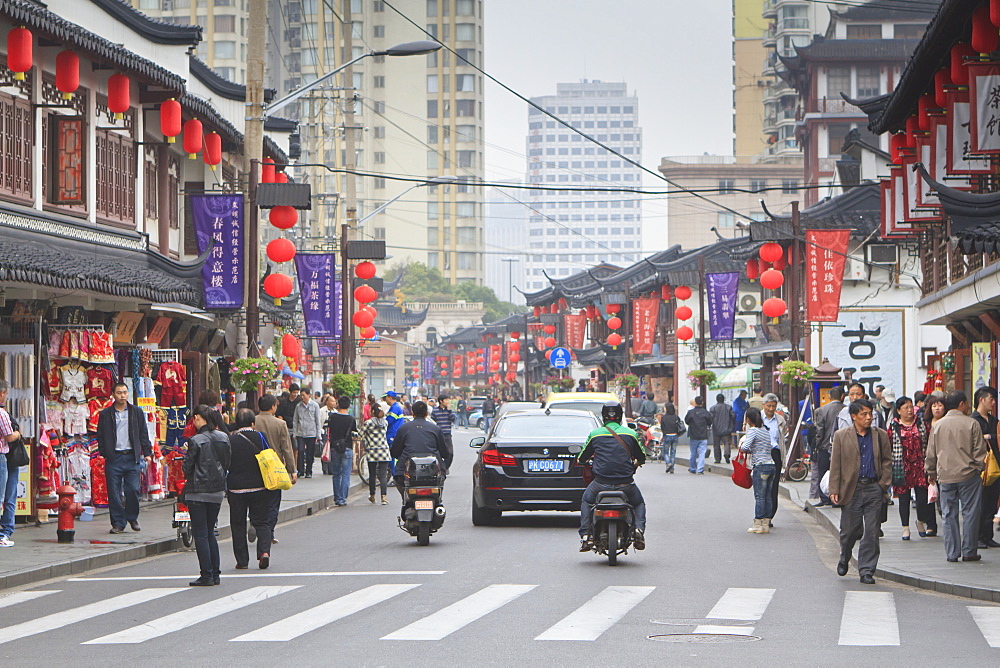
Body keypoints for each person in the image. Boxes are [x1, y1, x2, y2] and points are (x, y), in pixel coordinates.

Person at [830, 399, 891, 584]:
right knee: (849, 531)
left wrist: (883, 484)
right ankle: (844, 556)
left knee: (872, 531)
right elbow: (836, 464)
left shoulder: (880, 435)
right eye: (864, 414)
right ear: (853, 416)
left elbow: (887, 461)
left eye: (870, 414)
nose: (868, 418)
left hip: (874, 488)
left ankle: (866, 570)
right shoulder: (842, 436)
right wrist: (834, 488)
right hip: (851, 489)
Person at [925, 390, 989, 563]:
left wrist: (931, 472)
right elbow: (979, 451)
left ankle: (952, 553)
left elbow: (931, 452)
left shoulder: (938, 425)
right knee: (970, 513)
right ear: (962, 404)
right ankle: (969, 551)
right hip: (969, 475)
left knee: (948, 514)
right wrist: (978, 468)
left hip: (945, 475)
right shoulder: (971, 423)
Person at [577, 401, 647, 551]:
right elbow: (642, 457)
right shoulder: (631, 434)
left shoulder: (595, 434)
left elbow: (582, 458)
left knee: (586, 500)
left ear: (603, 417)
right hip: (626, 485)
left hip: (600, 484)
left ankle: (585, 536)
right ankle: (639, 530)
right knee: (638, 503)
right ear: (620, 416)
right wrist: (635, 463)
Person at [184, 404, 231, 586]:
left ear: (197, 418)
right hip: (217, 490)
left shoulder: (195, 440)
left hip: (197, 491)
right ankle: (215, 574)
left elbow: (187, 467)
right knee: (210, 531)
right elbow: (227, 462)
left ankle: (206, 574)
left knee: (201, 533)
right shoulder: (223, 437)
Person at [96, 383, 152, 534]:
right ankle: (118, 523)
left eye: (125, 392)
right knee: (114, 493)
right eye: (119, 392)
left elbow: (143, 434)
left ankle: (132, 517)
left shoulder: (136, 412)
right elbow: (100, 435)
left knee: (132, 489)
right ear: (113, 394)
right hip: (114, 458)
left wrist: (147, 453)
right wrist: (104, 452)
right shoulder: (105, 414)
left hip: (131, 457)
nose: (122, 395)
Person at [226, 409, 277, 570]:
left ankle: (242, 561)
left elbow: (227, 462)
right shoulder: (260, 437)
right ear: (252, 423)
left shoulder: (231, 440)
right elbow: (269, 456)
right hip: (259, 486)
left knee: (238, 524)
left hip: (236, 488)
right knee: (262, 521)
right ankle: (264, 552)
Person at [889, 395, 936, 540]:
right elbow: (888, 445)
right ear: (898, 410)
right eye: (905, 408)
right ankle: (905, 528)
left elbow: (929, 441)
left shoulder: (921, 423)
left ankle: (920, 521)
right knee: (903, 499)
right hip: (901, 467)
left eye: (911, 407)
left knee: (922, 499)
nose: (909, 410)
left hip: (920, 465)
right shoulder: (893, 426)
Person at [389, 401, 453, 504]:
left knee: (400, 481)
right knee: (438, 487)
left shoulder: (404, 428)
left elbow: (395, 452)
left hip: (406, 472)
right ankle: (436, 502)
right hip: (434, 472)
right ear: (426, 413)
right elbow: (445, 453)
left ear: (412, 413)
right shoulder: (435, 429)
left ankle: (407, 501)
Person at [255, 394, 297, 544]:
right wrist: (293, 470)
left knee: (258, 500)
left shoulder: (253, 421)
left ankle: (257, 524)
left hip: (256, 466)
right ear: (273, 407)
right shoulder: (280, 424)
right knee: (273, 502)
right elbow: (287, 448)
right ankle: (269, 531)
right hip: (275, 469)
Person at [971, 386, 1000, 549]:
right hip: (980, 467)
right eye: (991, 399)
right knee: (979, 504)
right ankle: (978, 537)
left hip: (995, 467)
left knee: (991, 503)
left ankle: (988, 536)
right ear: (981, 400)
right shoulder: (973, 420)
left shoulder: (994, 420)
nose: (993, 403)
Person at [740, 407, 776, 534]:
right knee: (767, 495)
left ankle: (757, 523)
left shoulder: (753, 431)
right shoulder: (765, 430)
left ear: (748, 419)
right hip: (771, 465)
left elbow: (744, 447)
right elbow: (766, 447)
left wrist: (743, 446)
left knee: (760, 496)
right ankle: (766, 523)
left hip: (760, 467)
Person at [811, 387, 845, 506]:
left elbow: (820, 430)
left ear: (830, 397)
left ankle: (824, 498)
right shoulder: (846, 409)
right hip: (843, 448)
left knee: (823, 472)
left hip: (826, 446)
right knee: (840, 473)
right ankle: (838, 498)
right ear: (842, 396)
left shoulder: (822, 410)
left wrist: (818, 444)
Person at [0, 380, 22, 547]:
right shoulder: (2, 413)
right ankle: (4, 534)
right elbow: (8, 436)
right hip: (3, 456)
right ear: (2, 393)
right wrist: (18, 434)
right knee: (4, 496)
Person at [326, 396, 358, 507]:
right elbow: (354, 431)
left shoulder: (332, 417)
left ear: (338, 404)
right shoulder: (351, 419)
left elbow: (329, 428)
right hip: (347, 447)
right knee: (345, 474)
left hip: (334, 447)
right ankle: (343, 498)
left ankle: (337, 497)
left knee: (336, 474)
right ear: (349, 405)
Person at [762, 393, 787, 526]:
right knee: (762, 486)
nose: (771, 409)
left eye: (773, 406)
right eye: (768, 406)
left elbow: (782, 438)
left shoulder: (780, 419)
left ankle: (770, 515)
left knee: (773, 486)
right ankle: (761, 514)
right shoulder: (757, 417)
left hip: (775, 453)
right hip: (761, 454)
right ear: (763, 405)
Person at [360, 405, 391, 504]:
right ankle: (384, 497)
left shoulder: (368, 423)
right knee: (383, 475)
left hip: (372, 451)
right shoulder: (385, 422)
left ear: (373, 411)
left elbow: (360, 434)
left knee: (372, 474)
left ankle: (372, 495)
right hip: (384, 451)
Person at [293, 388, 322, 478]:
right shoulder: (298, 406)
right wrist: (295, 433)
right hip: (301, 432)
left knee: (310, 452)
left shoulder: (315, 405)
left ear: (309, 395)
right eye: (301, 395)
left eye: (303, 395)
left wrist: (318, 434)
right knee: (300, 451)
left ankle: (309, 471)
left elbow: (318, 420)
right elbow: (295, 420)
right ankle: (300, 470)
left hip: (311, 433)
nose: (302, 397)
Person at [685, 396, 712, 474]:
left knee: (693, 452)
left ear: (695, 403)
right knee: (702, 453)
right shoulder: (705, 412)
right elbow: (710, 422)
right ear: (702, 403)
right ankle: (700, 469)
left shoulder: (690, 412)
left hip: (693, 435)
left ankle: (693, 468)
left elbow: (686, 421)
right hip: (703, 435)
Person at [709, 393, 736, 464]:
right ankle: (727, 454)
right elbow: (733, 416)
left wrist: (710, 425)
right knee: (727, 443)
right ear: (724, 399)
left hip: (716, 429)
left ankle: (717, 459)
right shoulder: (728, 407)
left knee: (716, 444)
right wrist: (732, 424)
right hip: (726, 429)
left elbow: (710, 418)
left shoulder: (712, 408)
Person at [659, 403, 684, 474]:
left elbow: (662, 428)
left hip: (667, 435)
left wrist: (663, 436)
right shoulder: (676, 417)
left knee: (665, 452)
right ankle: (672, 467)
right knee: (673, 452)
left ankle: (668, 463)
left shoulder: (664, 417)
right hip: (675, 436)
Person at [318, 395, 336, 475]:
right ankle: (325, 468)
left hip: (332, 433)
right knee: (325, 450)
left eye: (334, 401)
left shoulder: (336, 412)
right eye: (331, 401)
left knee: (332, 450)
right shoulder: (321, 411)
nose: (333, 403)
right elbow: (319, 422)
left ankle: (331, 468)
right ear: (327, 402)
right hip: (324, 432)